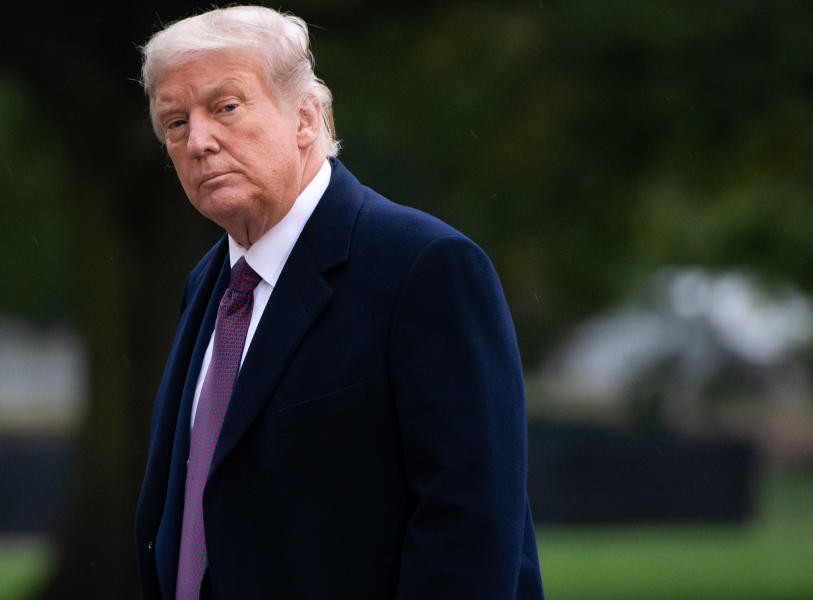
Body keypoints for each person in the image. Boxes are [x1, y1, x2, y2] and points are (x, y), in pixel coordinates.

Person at [133, 6, 543, 600]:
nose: (198, 141)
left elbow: (471, 528)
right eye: (175, 122)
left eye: (225, 107)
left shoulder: (424, 267)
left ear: (306, 117)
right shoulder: (209, 286)